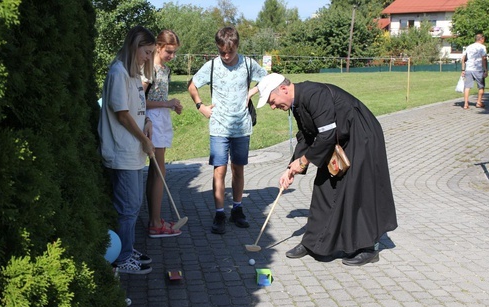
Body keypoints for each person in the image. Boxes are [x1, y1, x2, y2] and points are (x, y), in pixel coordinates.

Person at [256, 73, 398, 266]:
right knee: (324, 187)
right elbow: (306, 137)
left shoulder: (314, 94)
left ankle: (369, 248)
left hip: (362, 136)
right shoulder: (297, 104)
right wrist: (291, 168)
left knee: (358, 190)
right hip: (340, 139)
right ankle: (313, 243)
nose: (273, 107)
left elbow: (327, 134)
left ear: (283, 89)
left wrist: (304, 161)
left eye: (272, 101)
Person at [187, 26, 267, 234]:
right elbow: (192, 85)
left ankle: (237, 209)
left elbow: (268, 79)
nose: (226, 56)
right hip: (219, 127)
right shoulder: (212, 65)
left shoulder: (248, 64)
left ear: (237, 46)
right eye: (222, 52)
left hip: (241, 127)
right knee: (219, 170)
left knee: (238, 169)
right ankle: (220, 213)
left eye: (229, 52)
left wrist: (253, 91)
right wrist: (200, 106)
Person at [98, 26, 156, 274]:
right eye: (146, 52)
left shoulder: (133, 74)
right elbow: (122, 115)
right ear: (135, 46)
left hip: (134, 152)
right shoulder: (118, 73)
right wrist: (143, 140)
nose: (148, 58)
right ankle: (121, 259)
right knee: (128, 207)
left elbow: (135, 111)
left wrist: (147, 122)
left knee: (134, 205)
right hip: (121, 152)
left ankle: (127, 248)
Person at [142, 30, 183, 238]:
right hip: (151, 121)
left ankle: (154, 219)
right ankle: (155, 224)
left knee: (156, 171)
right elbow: (139, 100)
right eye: (169, 51)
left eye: (174, 52)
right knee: (159, 171)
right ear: (158, 46)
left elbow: (159, 97)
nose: (172, 56)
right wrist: (166, 103)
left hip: (161, 119)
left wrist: (171, 105)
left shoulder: (164, 70)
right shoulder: (149, 70)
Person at [461, 33, 488, 109]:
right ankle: (479, 102)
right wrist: (485, 70)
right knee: (481, 86)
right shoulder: (482, 47)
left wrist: (463, 69)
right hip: (478, 69)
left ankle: (466, 104)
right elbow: (484, 59)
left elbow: (463, 59)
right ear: (481, 39)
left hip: (468, 69)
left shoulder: (469, 47)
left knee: (467, 87)